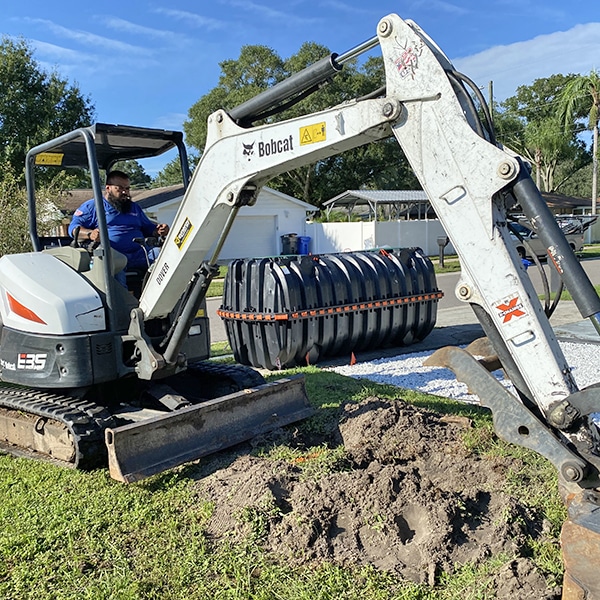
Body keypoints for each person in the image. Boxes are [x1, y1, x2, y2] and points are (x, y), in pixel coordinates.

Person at [69, 170, 169, 286]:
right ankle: (123, 303)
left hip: (140, 253)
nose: (124, 192)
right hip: (114, 256)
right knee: (117, 267)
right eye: (120, 188)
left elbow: (148, 227)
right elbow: (73, 228)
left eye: (127, 188)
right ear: (108, 188)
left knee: (164, 256)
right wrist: (90, 234)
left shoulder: (133, 207)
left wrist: (158, 230)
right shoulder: (93, 206)